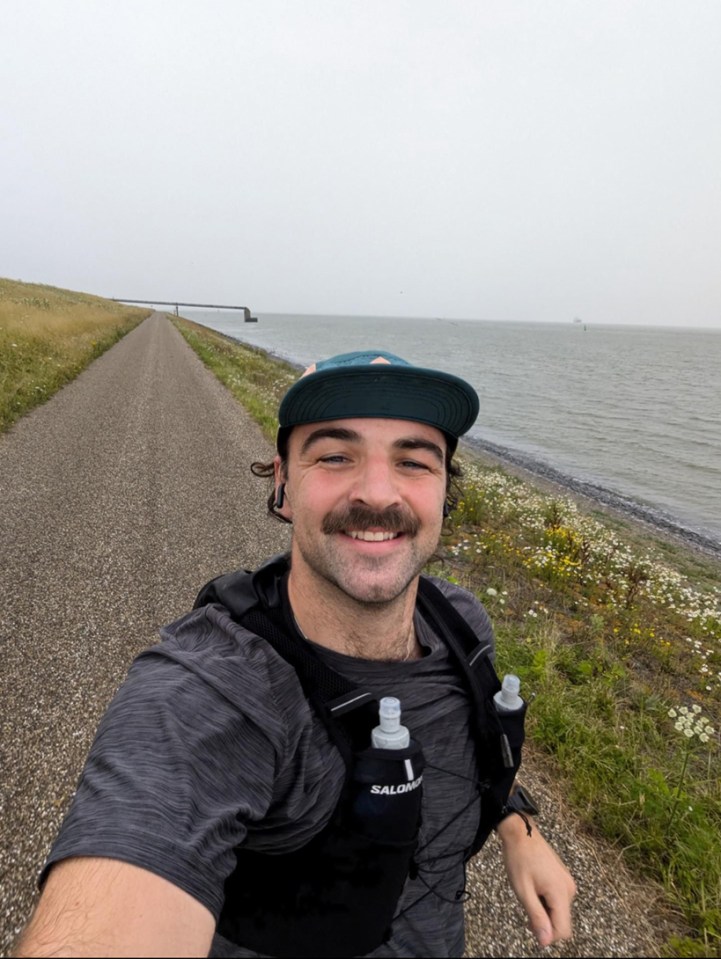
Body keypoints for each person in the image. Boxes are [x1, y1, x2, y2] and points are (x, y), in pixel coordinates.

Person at [15, 350, 576, 958]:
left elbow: (478, 747)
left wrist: (518, 829)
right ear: (283, 484)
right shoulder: (209, 693)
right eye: (335, 456)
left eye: (413, 461)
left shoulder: (462, 624)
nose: (378, 493)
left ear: (445, 494)